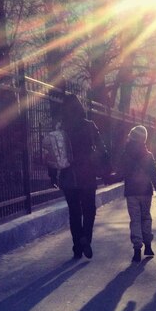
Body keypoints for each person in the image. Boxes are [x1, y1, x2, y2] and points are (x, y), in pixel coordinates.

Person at [50, 93, 111, 259]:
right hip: (87, 174)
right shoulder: (90, 126)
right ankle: (86, 239)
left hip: (68, 176)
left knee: (74, 212)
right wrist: (105, 168)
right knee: (89, 210)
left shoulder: (61, 129)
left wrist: (52, 175)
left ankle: (77, 246)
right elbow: (102, 149)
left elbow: (53, 153)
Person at [117, 125, 156, 263]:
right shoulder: (148, 156)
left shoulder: (125, 155)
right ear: (144, 139)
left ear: (131, 137)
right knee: (146, 217)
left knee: (135, 220)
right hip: (146, 192)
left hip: (131, 192)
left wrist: (108, 178)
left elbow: (120, 174)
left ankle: (137, 250)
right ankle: (148, 246)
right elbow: (154, 176)